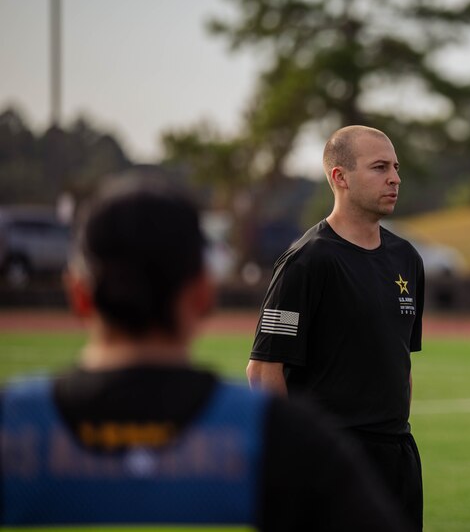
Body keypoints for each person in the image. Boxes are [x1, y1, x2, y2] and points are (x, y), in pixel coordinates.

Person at [0, 173, 411, 531]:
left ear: (78, 295)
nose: (394, 177)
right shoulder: (282, 439)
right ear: (204, 294)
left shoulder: (12, 427)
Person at [247, 125, 425, 530]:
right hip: (331, 457)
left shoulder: (407, 258)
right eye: (380, 167)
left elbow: (401, 363)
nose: (395, 177)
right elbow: (263, 370)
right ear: (339, 178)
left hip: (397, 457)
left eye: (396, 167)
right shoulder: (307, 261)